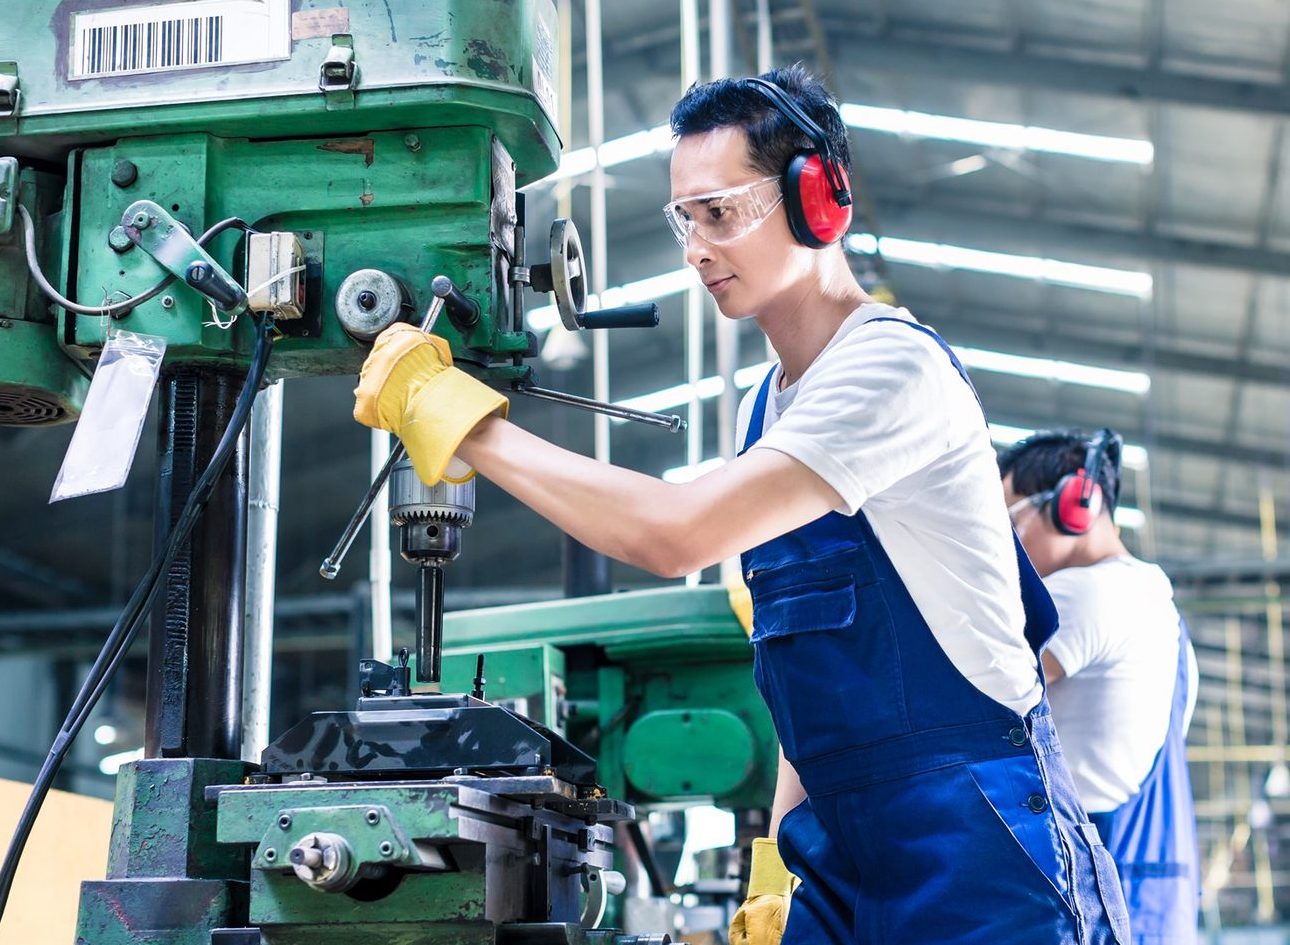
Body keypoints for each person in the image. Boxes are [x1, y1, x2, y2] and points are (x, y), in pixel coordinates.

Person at [351, 65, 1128, 945]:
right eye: (685, 220)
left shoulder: (890, 370)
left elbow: (674, 533)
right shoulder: (771, 407)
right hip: (834, 847)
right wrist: (774, 858)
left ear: (817, 201)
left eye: (719, 214)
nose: (695, 250)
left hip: (978, 843)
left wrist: (459, 421)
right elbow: (808, 687)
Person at [1000, 429, 1200, 945]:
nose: (1003, 543)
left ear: (1075, 504)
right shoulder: (1160, 608)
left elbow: (975, 698)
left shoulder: (1082, 592)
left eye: (1010, 518)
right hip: (1150, 898)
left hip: (1087, 897)